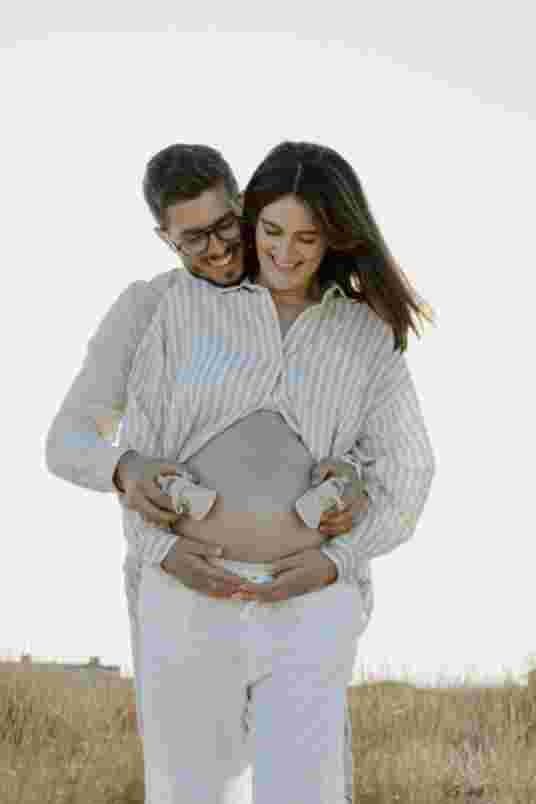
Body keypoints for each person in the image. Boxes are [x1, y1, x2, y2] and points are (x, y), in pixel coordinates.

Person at [119, 140, 436, 803]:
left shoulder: (363, 336)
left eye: (308, 238)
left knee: (306, 793)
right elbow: (142, 446)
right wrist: (162, 551)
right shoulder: (189, 308)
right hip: (188, 598)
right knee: (186, 794)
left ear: (336, 239)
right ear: (249, 218)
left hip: (309, 603)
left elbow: (409, 473)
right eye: (270, 231)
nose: (286, 253)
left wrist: (338, 560)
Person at [45, 144, 363, 802]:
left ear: (242, 205)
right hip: (183, 598)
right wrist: (123, 468)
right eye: (193, 240)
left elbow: (350, 431)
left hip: (300, 603)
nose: (218, 250)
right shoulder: (147, 310)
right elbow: (67, 439)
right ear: (164, 237)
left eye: (225, 227)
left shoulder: (300, 302)